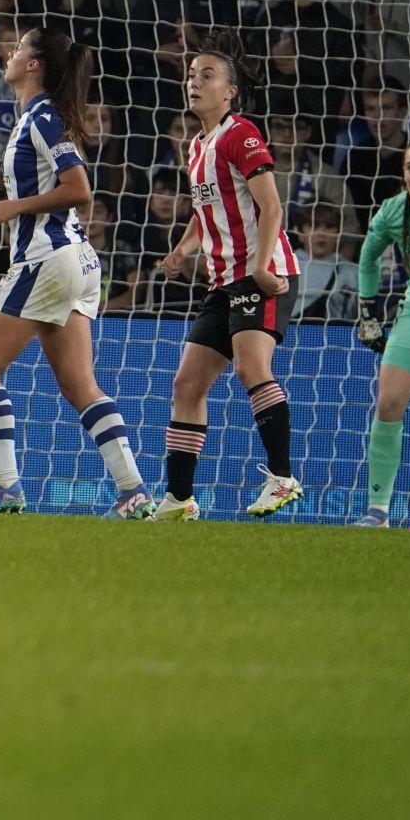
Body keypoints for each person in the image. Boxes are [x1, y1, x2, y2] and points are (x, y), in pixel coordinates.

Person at [0, 28, 151, 518]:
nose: (10, 54)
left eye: (18, 48)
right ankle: (134, 491)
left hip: (46, 257)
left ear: (34, 64)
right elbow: (45, 175)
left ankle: (6, 489)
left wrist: (12, 203)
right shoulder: (35, 118)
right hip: (77, 262)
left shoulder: (44, 116)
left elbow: (79, 189)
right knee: (80, 384)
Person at [151, 32, 303, 521]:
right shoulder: (196, 146)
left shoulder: (242, 134)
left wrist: (260, 265)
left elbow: (271, 205)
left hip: (265, 275)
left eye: (207, 75)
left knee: (250, 367)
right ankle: (179, 500)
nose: (194, 83)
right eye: (192, 75)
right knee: (186, 386)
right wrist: (180, 251)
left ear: (230, 91)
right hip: (224, 282)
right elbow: (205, 211)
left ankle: (282, 479)